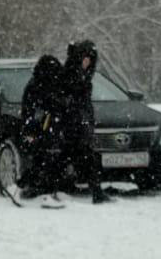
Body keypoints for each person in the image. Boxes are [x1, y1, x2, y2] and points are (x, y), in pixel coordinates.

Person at [61, 40, 111, 203]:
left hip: (80, 123)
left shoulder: (83, 75)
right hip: (73, 125)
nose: (87, 62)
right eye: (85, 58)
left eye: (90, 59)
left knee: (87, 158)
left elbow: (83, 101)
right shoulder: (71, 74)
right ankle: (94, 191)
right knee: (83, 157)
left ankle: (95, 191)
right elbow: (71, 99)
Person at [16, 55, 67, 206]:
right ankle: (33, 188)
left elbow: (57, 105)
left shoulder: (52, 85)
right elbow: (30, 111)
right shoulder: (35, 86)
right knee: (41, 158)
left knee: (46, 159)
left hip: (48, 127)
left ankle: (44, 189)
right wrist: (33, 129)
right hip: (38, 128)